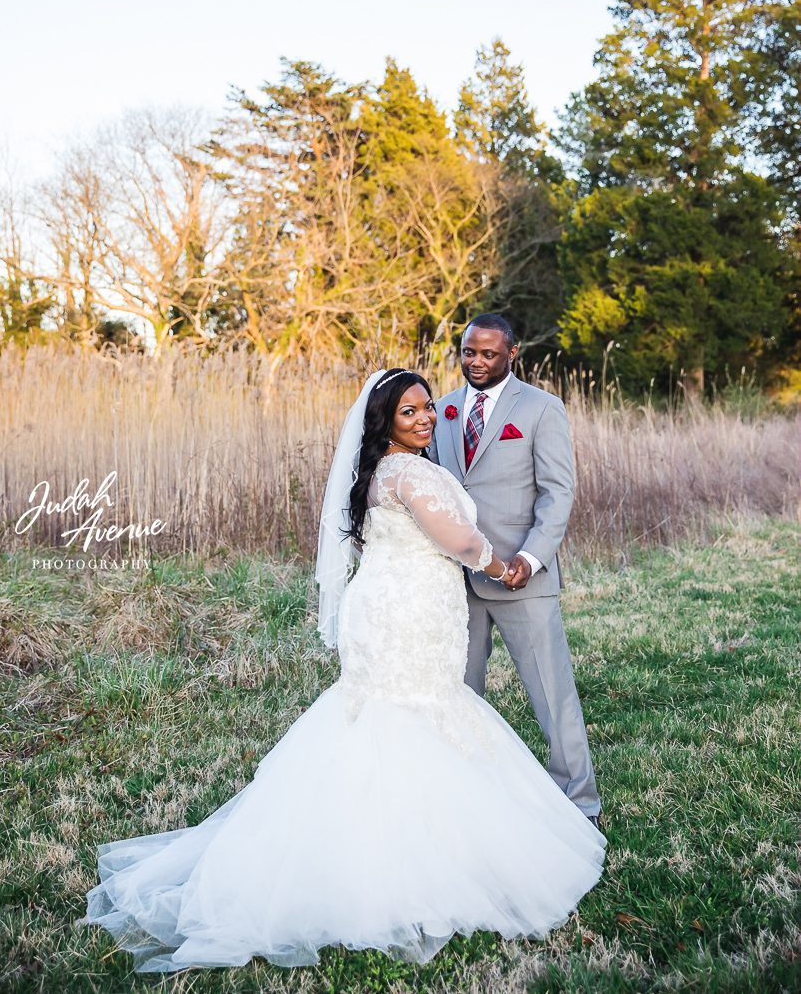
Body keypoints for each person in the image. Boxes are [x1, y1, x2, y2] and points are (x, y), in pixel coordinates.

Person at [77, 368, 605, 973]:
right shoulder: (409, 472)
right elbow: (459, 541)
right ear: (386, 422)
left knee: (393, 710)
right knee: (415, 711)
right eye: (409, 412)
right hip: (407, 610)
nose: (426, 419)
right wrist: (502, 567)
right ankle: (410, 863)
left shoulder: (378, 471)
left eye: (428, 407)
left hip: (392, 600)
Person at [430, 313, 602, 824]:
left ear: (512, 352)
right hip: (457, 579)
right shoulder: (443, 409)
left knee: (553, 695)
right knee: (459, 694)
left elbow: (557, 493)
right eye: (469, 352)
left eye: (488, 353)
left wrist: (530, 558)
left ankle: (580, 803)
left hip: (521, 576)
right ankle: (464, 798)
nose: (477, 362)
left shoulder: (542, 408)